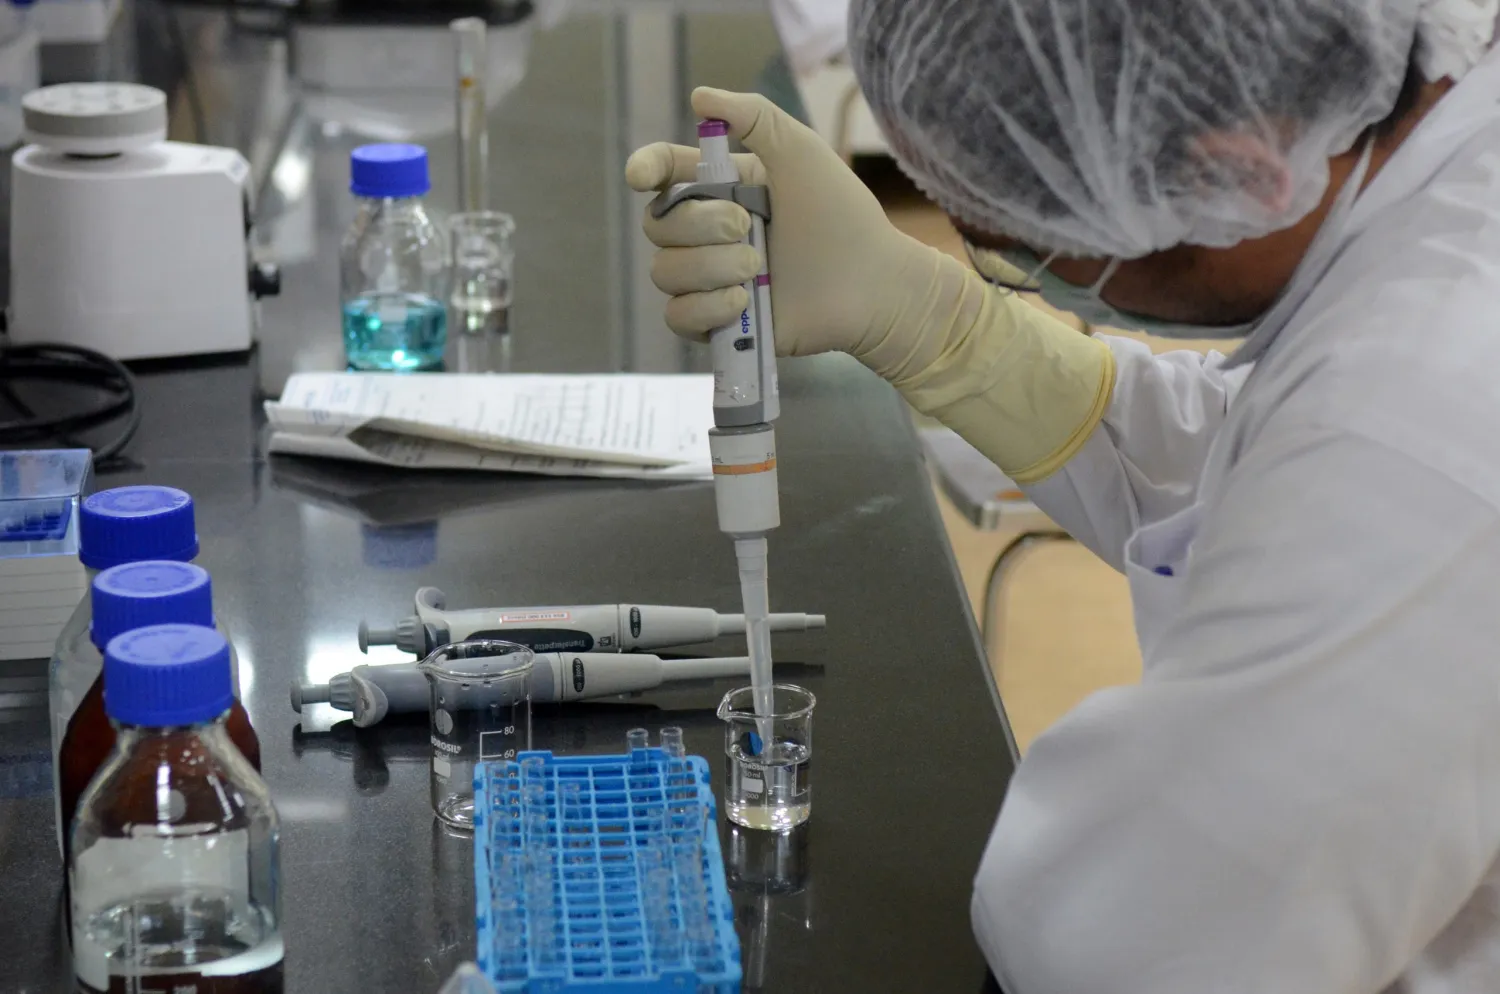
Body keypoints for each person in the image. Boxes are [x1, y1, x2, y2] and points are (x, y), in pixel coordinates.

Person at [626, 0, 1500, 990]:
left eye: (1027, 246)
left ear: (1237, 172)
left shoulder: (1416, 428)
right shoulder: (1448, 158)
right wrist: (936, 324)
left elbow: (1139, 943)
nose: (1025, 269)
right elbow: (1269, 472)